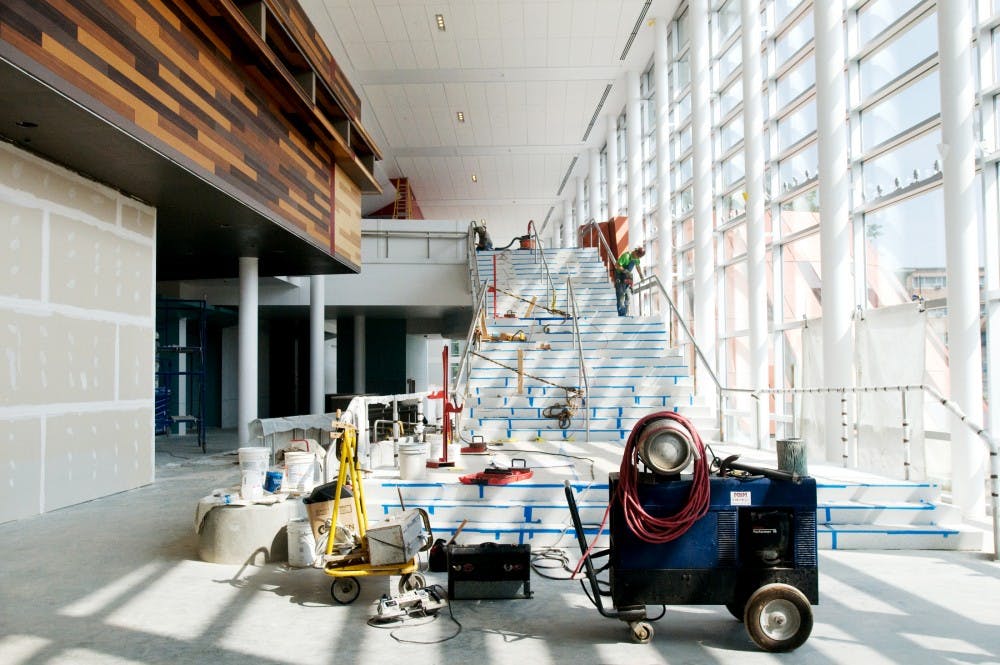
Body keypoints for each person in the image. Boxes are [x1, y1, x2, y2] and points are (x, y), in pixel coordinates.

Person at [614, 246, 645, 316]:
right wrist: (625, 270)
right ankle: (621, 314)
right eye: (637, 256)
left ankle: (626, 313)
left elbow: (637, 266)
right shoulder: (626, 256)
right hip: (619, 275)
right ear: (635, 252)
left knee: (628, 295)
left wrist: (641, 275)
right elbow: (616, 265)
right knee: (621, 295)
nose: (637, 258)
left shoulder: (636, 259)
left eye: (639, 257)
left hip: (627, 277)